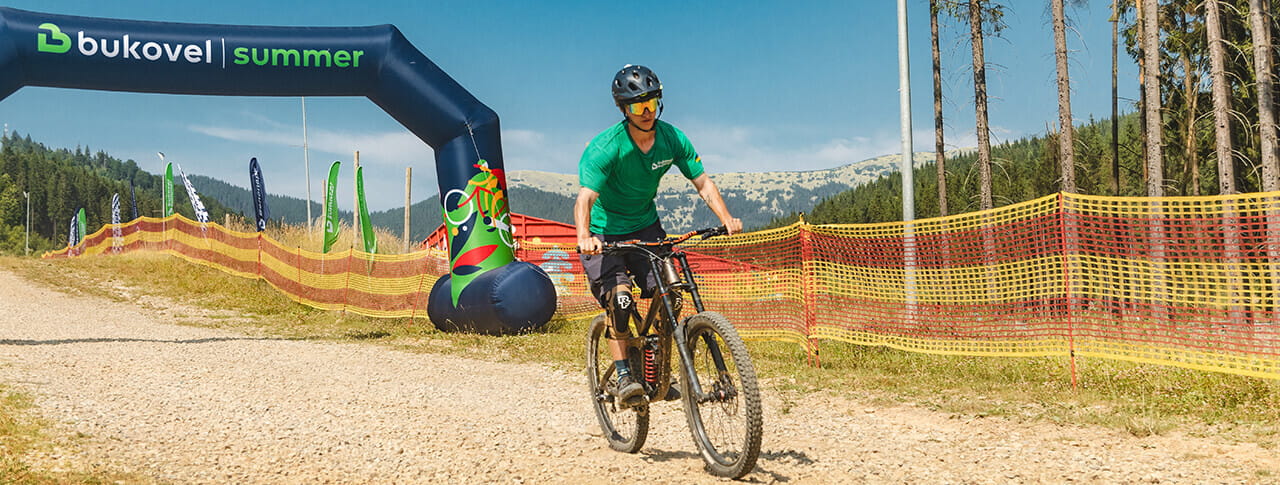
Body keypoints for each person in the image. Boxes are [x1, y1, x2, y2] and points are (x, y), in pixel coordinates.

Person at [575, 64, 743, 404]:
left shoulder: (672, 139)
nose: (647, 111)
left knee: (671, 295)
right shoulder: (606, 147)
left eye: (652, 102)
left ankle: (656, 370)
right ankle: (624, 376)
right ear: (624, 109)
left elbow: (703, 183)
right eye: (638, 105)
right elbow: (585, 199)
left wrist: (726, 217)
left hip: (646, 227)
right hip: (604, 234)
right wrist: (584, 236)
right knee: (621, 301)